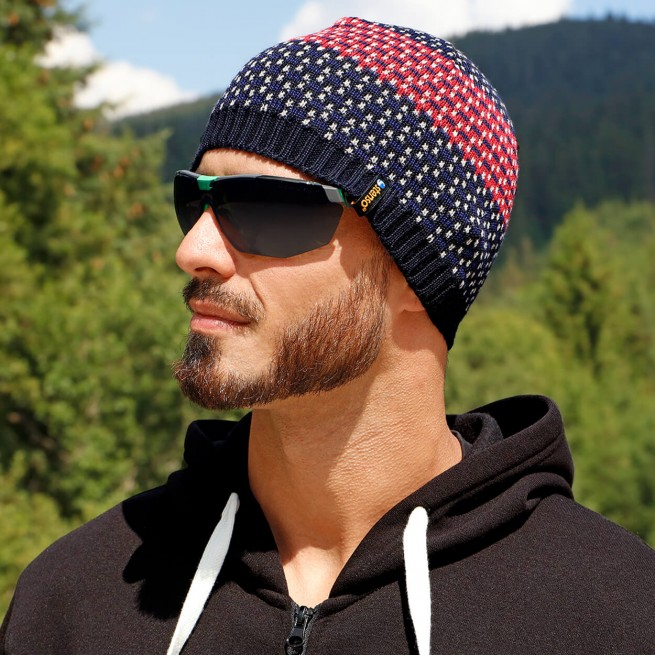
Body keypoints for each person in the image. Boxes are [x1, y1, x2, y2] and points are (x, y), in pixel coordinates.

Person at [2, 16, 654, 655]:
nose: (193, 250)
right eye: (196, 200)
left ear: (415, 270)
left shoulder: (613, 615)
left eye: (261, 206)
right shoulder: (74, 600)